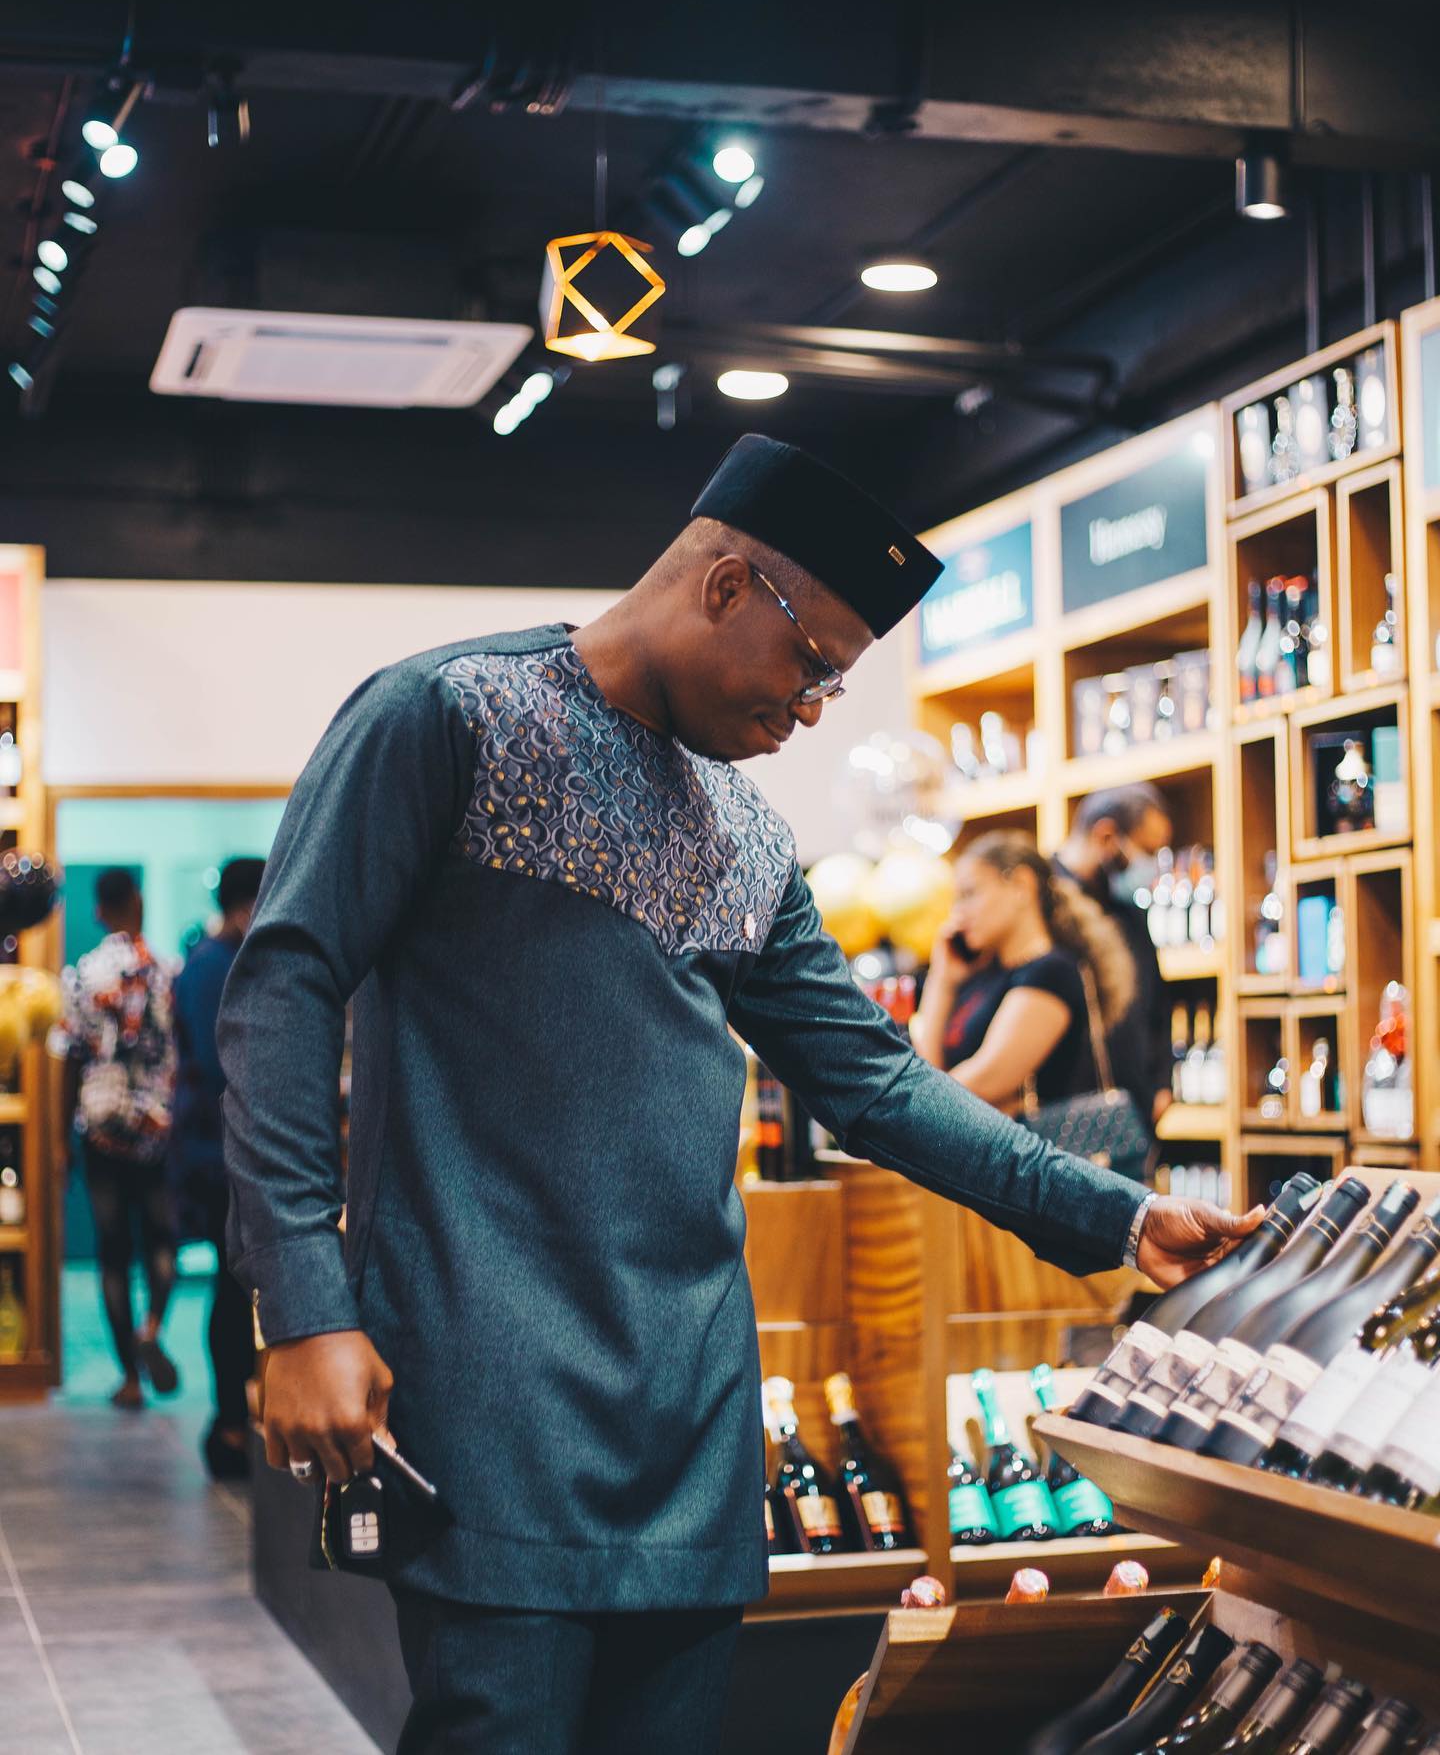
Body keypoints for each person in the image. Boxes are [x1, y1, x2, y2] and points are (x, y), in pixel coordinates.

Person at [219, 433, 1259, 1754]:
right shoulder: (450, 714)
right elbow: (284, 985)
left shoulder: (752, 836)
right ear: (725, 585)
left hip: (693, 1413)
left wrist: (1115, 1211)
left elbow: (875, 1080)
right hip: (489, 1389)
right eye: (812, 665)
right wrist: (305, 1302)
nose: (813, 709)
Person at [51, 868, 178, 1410]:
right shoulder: (167, 972)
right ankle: (153, 1327)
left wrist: (60, 1138)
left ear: (100, 910)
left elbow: (67, 1057)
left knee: (112, 1255)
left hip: (101, 1131)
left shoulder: (82, 975)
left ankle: (129, 1377)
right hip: (158, 1130)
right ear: (138, 901)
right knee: (162, 1240)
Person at [909, 830, 1136, 1125]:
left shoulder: (1051, 973)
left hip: (1037, 1151)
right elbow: (931, 1077)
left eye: (969, 894)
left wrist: (914, 1102)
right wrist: (942, 980)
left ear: (1021, 885)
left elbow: (973, 1087)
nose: (957, 913)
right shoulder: (980, 976)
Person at [171, 857, 267, 1478]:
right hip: (214, 1152)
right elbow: (220, 1060)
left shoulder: (216, 959)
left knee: (233, 1290)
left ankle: (231, 1420)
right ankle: (229, 1422)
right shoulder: (213, 965)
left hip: (216, 1147)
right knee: (232, 1291)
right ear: (246, 903)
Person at [1054, 784, 1176, 1128]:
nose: (1150, 867)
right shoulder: (1044, 901)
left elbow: (1157, 1004)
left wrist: (1162, 1083)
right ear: (1107, 835)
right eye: (1146, 852)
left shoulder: (1129, 915)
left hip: (1133, 1118)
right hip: (1066, 1115)